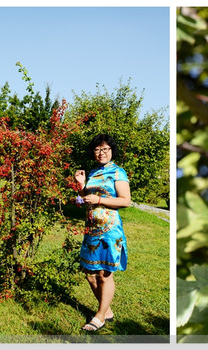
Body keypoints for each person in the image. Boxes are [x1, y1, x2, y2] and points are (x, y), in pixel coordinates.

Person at [74, 134, 131, 332]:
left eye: (105, 149)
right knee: (90, 273)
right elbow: (86, 198)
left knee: (104, 274)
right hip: (91, 229)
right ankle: (106, 310)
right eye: (98, 149)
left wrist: (99, 201)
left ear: (111, 151)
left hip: (110, 229)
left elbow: (125, 201)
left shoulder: (118, 172)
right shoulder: (93, 171)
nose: (102, 152)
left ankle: (100, 315)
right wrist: (81, 184)